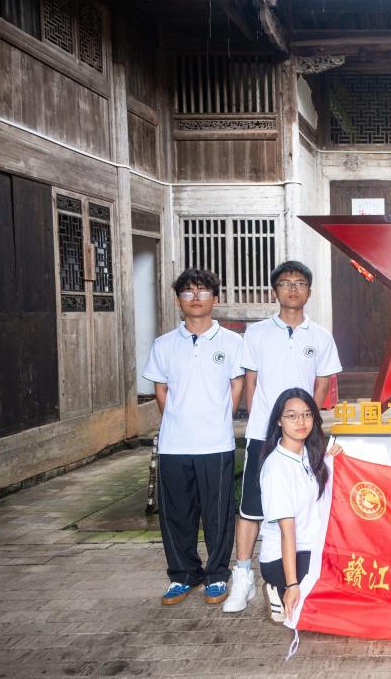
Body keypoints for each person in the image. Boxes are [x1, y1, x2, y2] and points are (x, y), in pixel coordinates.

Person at [223, 261, 342, 613]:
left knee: (306, 501)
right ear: (274, 290)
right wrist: (259, 424)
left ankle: (299, 571)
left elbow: (321, 384)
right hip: (264, 434)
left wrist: (307, 425)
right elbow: (251, 382)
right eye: (286, 283)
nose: (293, 289)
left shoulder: (320, 336)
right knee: (251, 507)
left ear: (309, 291)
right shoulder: (257, 333)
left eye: (300, 283)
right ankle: (242, 576)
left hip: (303, 435)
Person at [142, 269, 244, 606]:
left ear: (216, 298)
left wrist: (219, 418)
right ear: (178, 301)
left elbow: (237, 385)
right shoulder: (164, 345)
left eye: (203, 291)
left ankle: (217, 575)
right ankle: (183, 575)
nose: (196, 297)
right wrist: (178, 418)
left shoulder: (232, 343)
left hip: (216, 443)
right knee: (176, 514)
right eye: (188, 291)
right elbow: (160, 389)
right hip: (175, 444)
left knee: (218, 513)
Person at [257, 388, 339, 623]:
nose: (301, 422)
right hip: (283, 560)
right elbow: (287, 532)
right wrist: (292, 584)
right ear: (279, 421)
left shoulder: (312, 456)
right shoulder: (276, 468)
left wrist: (335, 460)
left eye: (307, 415)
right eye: (292, 416)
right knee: (336, 598)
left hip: (314, 547)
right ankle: (278, 587)